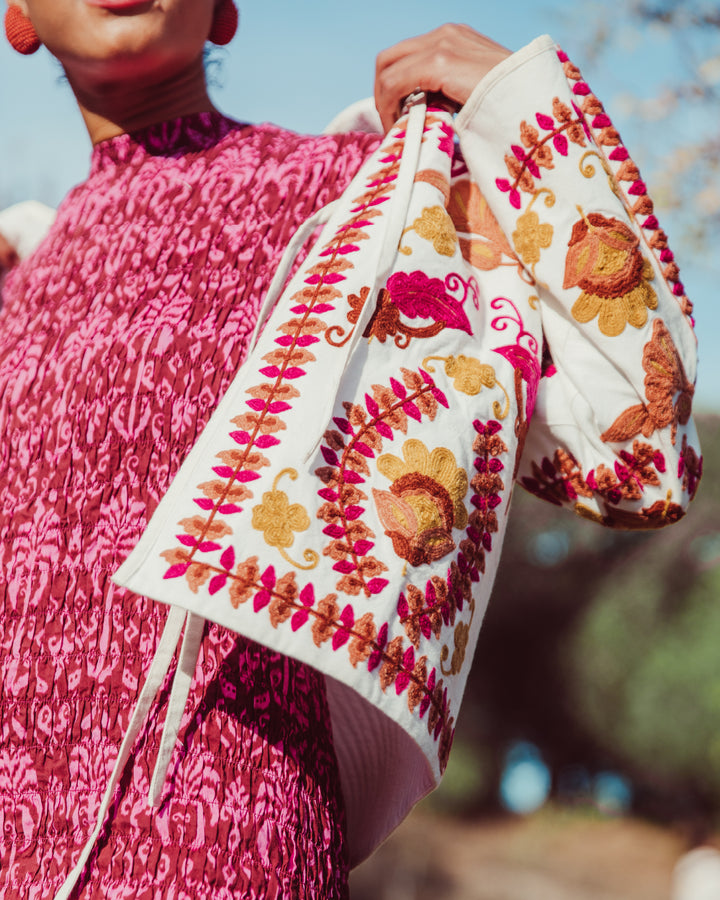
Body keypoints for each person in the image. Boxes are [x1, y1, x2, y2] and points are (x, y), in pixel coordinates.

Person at [0, 2, 700, 899]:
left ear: (222, 10)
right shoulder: (25, 273)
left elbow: (642, 452)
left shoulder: (372, 208)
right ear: (19, 17)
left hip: (228, 850)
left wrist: (513, 112)